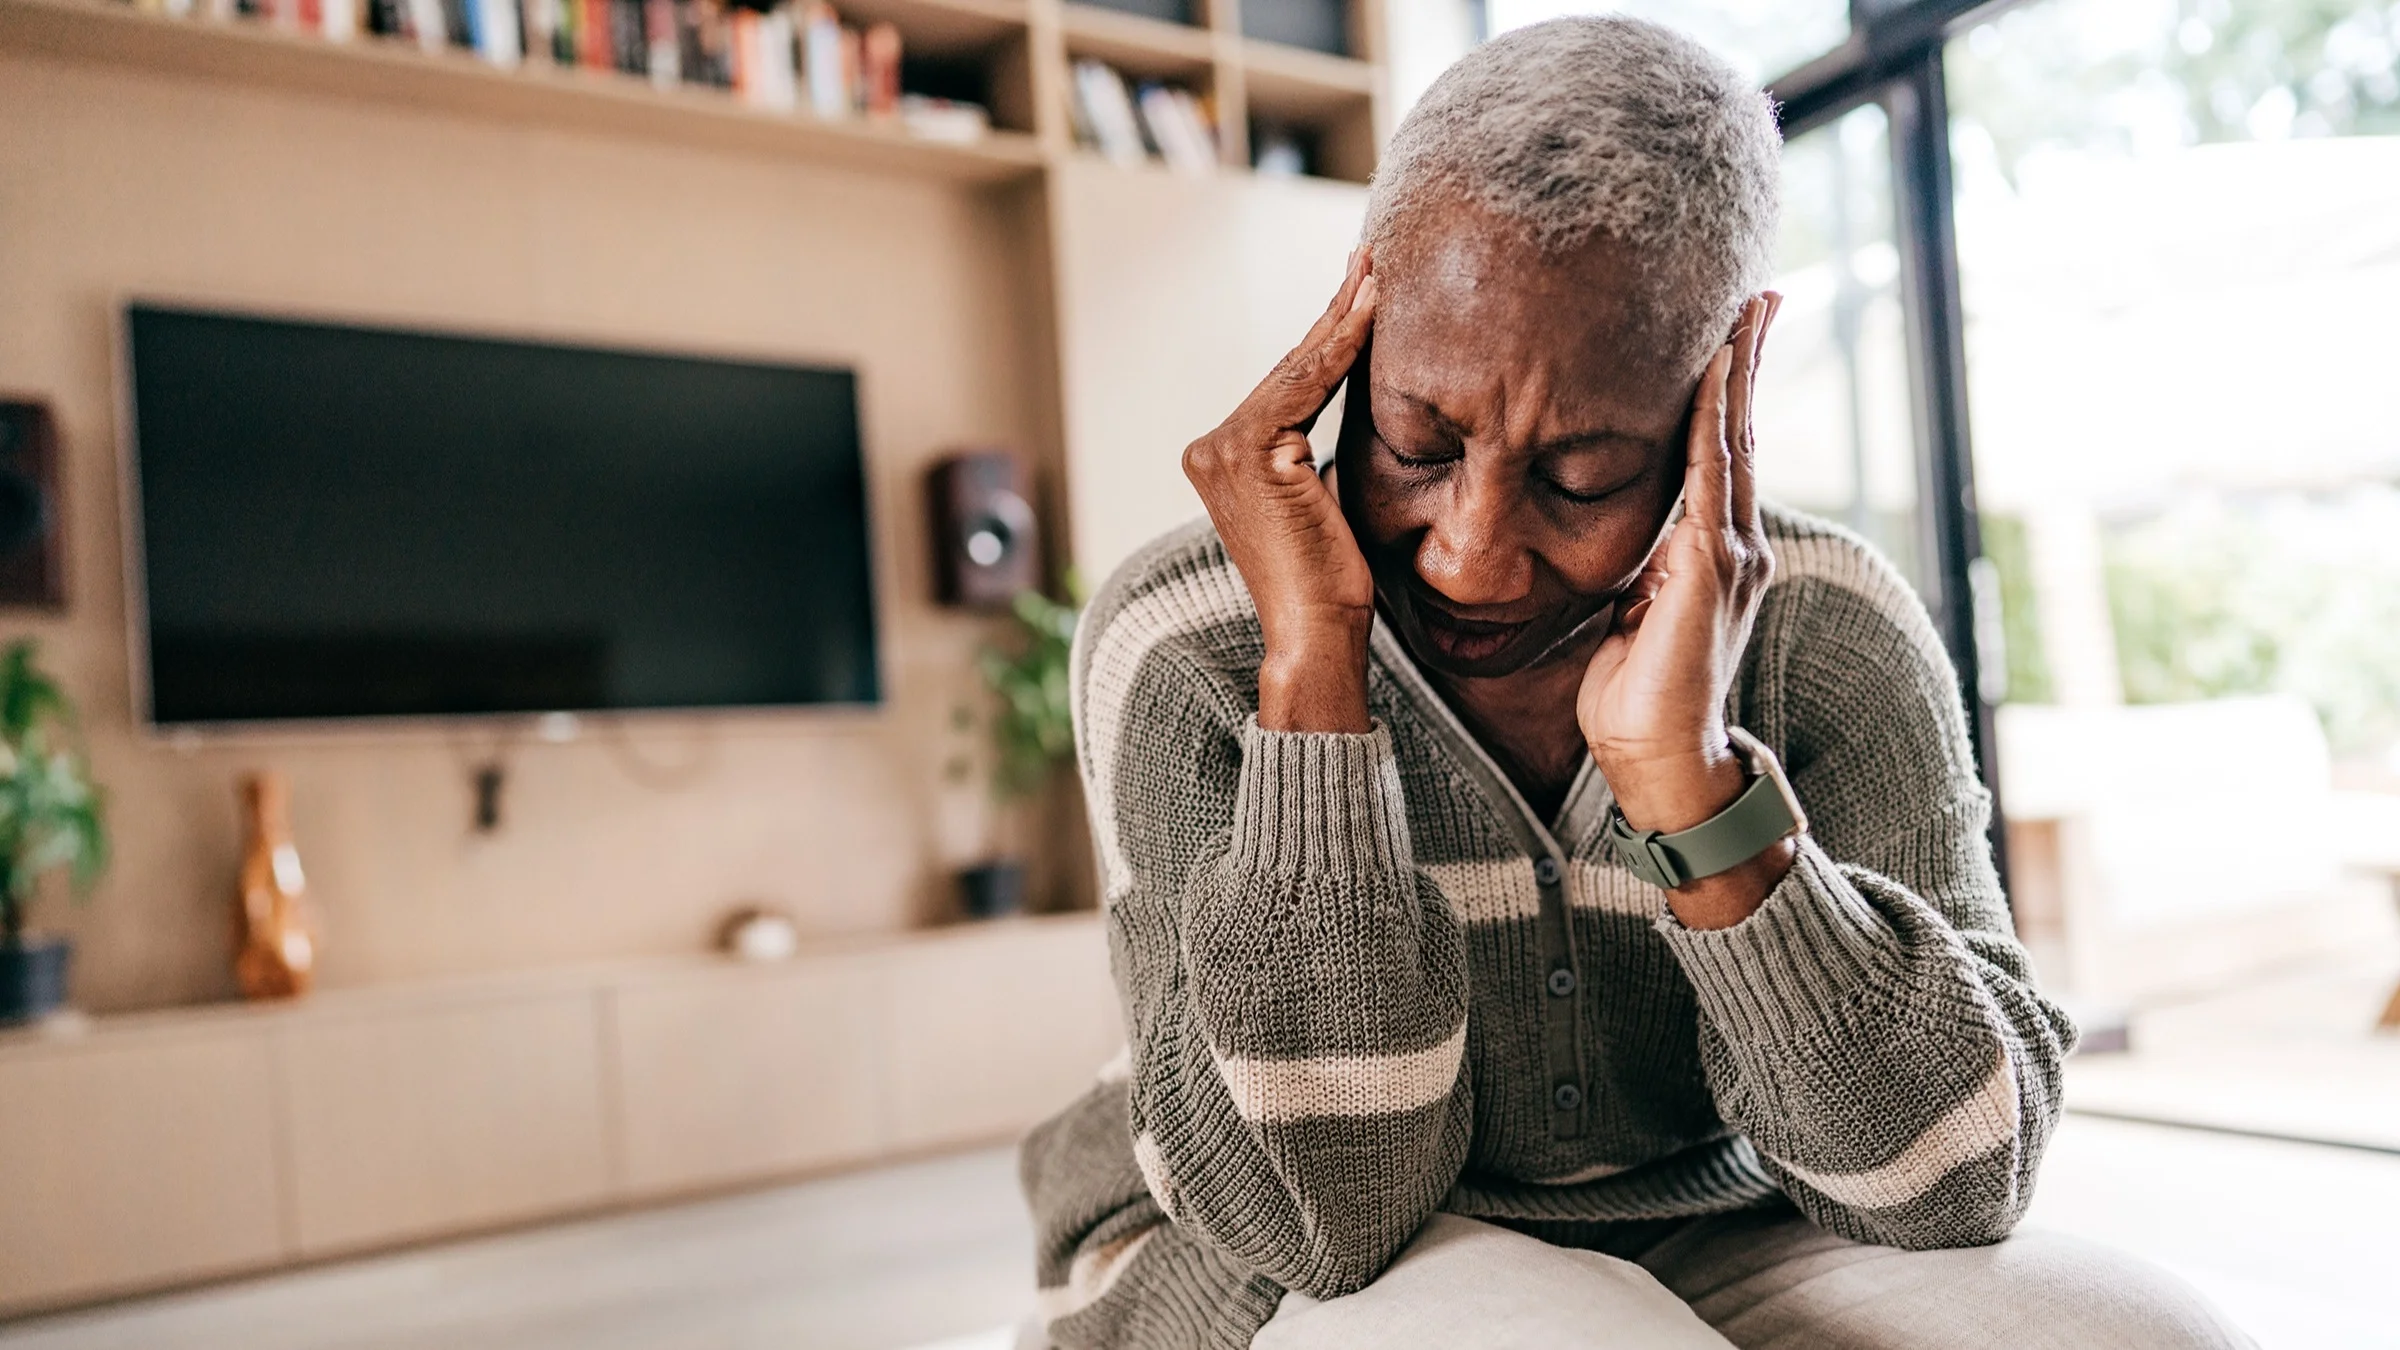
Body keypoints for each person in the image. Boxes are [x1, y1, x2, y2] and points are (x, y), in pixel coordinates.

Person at [1019, 16, 2254, 1349]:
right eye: (1419, 441)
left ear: (1724, 394)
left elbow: (1957, 1183)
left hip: (1717, 1221)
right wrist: (1314, 677)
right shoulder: (1184, 638)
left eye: (1583, 476)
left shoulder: (1830, 632)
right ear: (1356, 328)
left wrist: (1693, 788)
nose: (1472, 554)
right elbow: (1318, 1220)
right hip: (1259, 1245)